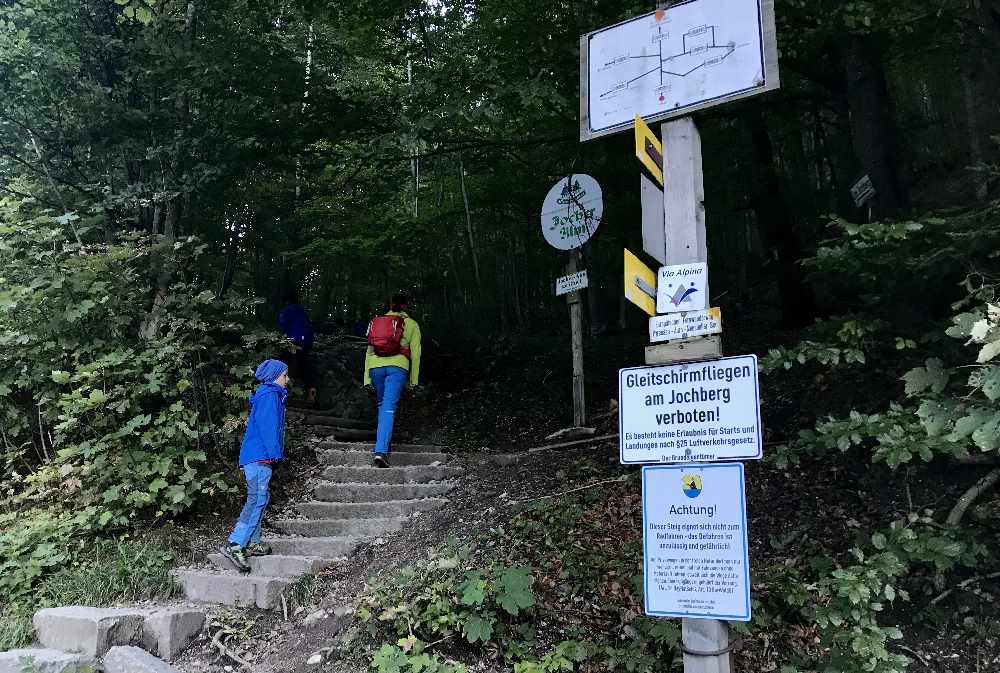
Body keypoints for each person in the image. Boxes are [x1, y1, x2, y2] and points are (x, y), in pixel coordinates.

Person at [220, 359, 289, 573]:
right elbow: (269, 428)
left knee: (261, 497)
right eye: (285, 375)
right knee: (257, 498)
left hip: (258, 456)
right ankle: (235, 543)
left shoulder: (268, 395)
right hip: (260, 456)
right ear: (276, 376)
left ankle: (252, 541)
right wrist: (276, 454)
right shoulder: (270, 395)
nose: (288, 379)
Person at [363, 294, 422, 468]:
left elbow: (369, 350)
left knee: (383, 405)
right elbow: (416, 354)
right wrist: (414, 380)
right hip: (397, 367)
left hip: (375, 367)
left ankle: (384, 443)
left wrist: (366, 377)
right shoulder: (412, 324)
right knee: (389, 407)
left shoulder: (376, 321)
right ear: (406, 306)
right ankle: (380, 451)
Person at [278, 292, 315, 401]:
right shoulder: (302, 311)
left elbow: (282, 325)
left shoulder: (287, 310)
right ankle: (311, 392)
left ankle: (285, 391)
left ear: (287, 301)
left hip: (294, 341)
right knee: (304, 365)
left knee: (284, 363)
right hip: (307, 341)